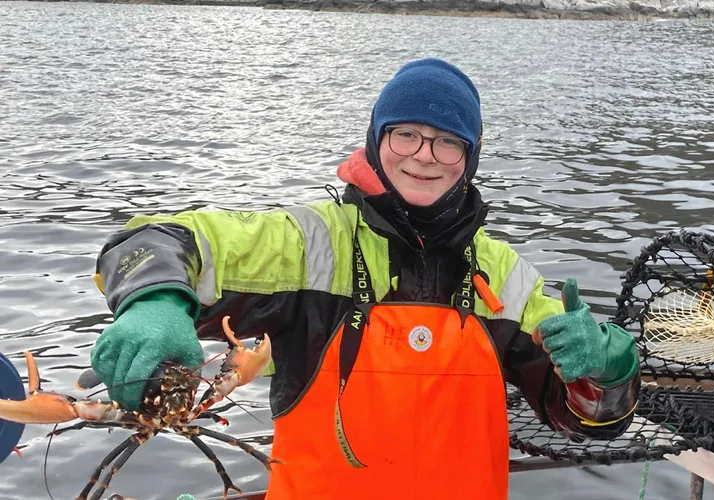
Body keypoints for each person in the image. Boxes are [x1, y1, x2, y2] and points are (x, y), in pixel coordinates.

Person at [89, 58, 640, 500]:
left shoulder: (506, 277)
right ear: (377, 139)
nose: (425, 156)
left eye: (448, 141)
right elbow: (156, 240)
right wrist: (155, 299)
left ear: (469, 158)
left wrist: (606, 375)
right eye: (405, 135)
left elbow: (589, 422)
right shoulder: (307, 244)